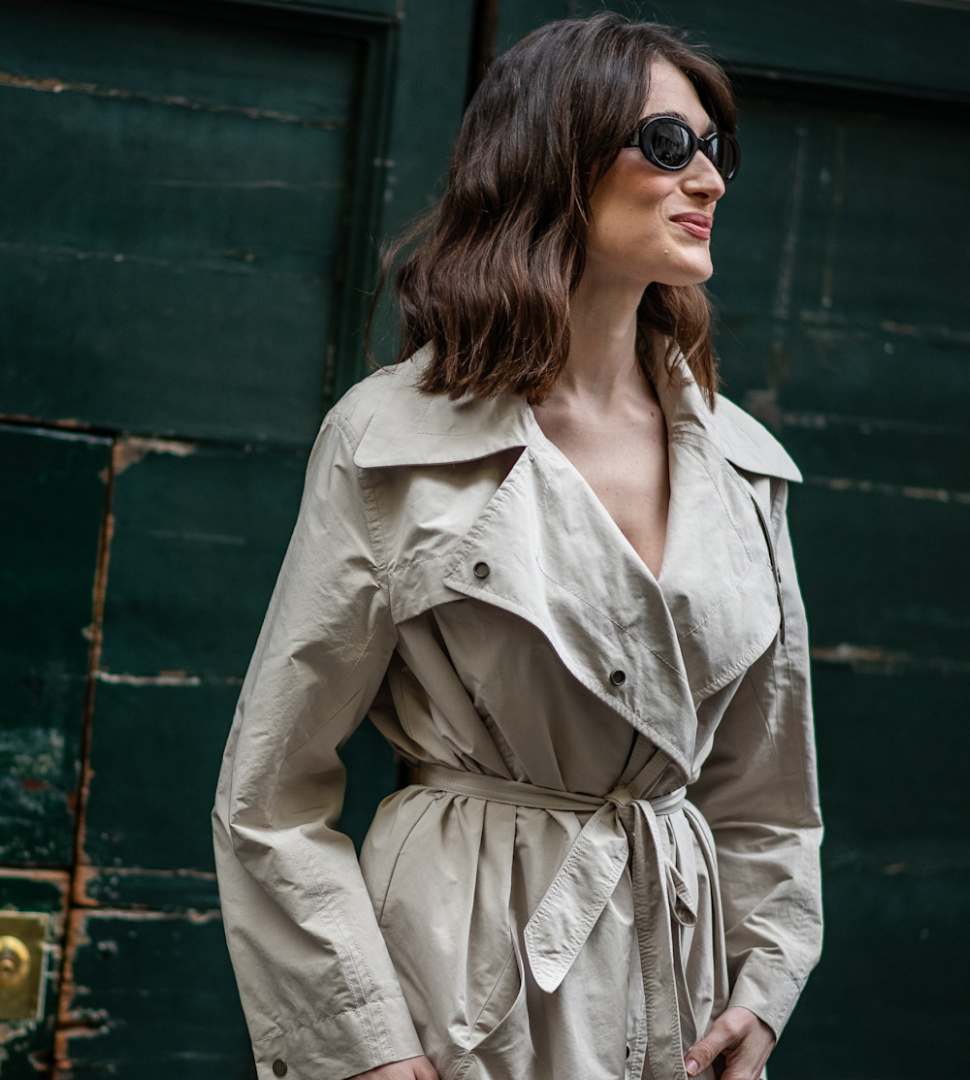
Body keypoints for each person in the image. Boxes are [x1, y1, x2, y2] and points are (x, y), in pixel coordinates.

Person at [211, 14, 823, 1080]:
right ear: (553, 157)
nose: (709, 179)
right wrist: (362, 1051)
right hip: (456, 974)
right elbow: (269, 795)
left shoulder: (742, 466)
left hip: (677, 989)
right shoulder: (394, 439)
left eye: (716, 148)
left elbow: (767, 791)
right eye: (667, 145)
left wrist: (761, 991)